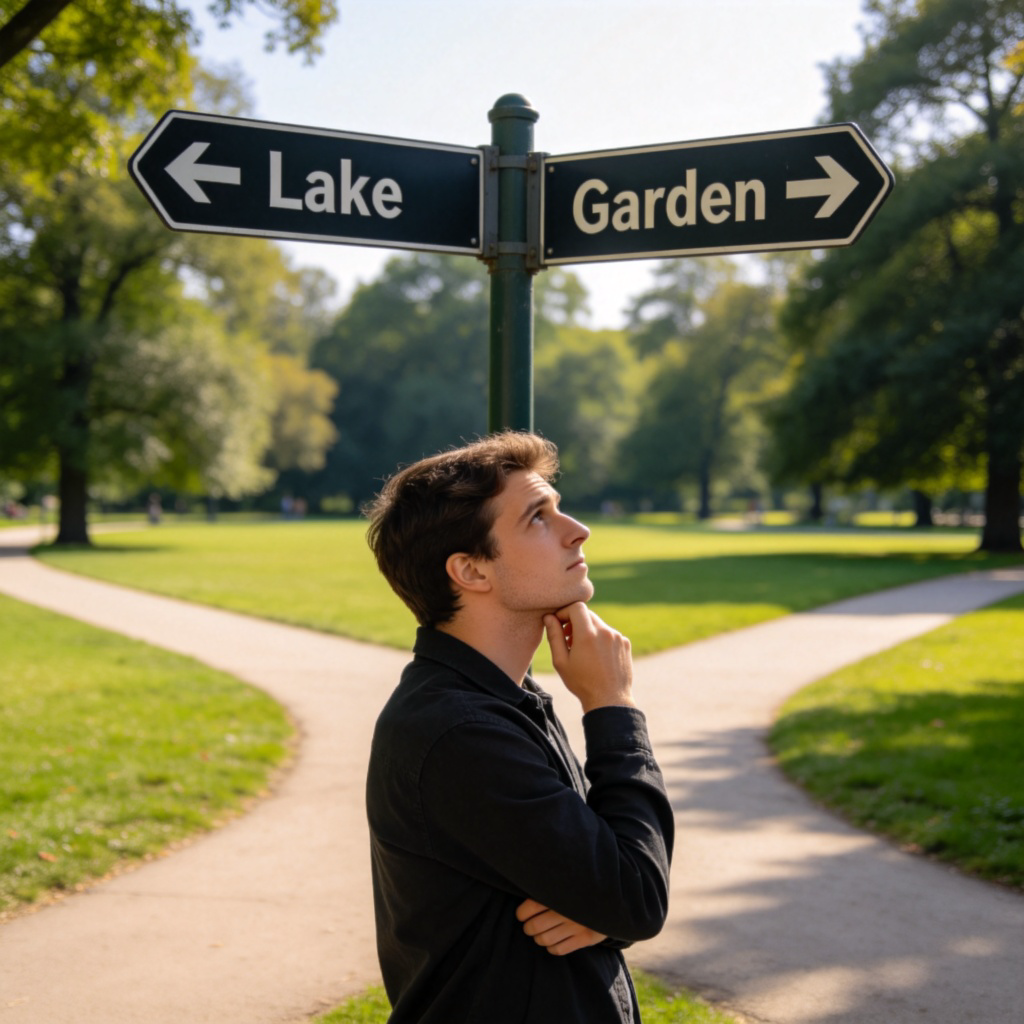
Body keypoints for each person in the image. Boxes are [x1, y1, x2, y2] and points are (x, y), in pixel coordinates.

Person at [364, 431, 674, 1024]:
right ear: (471, 571)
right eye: (538, 517)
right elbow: (637, 893)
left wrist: (602, 908)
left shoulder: (506, 697)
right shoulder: (459, 731)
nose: (576, 529)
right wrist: (612, 705)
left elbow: (618, 885)